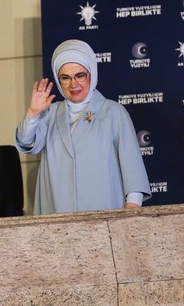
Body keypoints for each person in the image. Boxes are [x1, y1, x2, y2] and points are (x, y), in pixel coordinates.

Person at [15, 39, 151, 215]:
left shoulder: (113, 112)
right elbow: (26, 143)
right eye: (65, 78)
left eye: (80, 75)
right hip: (57, 215)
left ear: (91, 74)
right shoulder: (50, 114)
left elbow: (132, 167)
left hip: (106, 215)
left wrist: (130, 213)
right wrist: (32, 114)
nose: (73, 84)